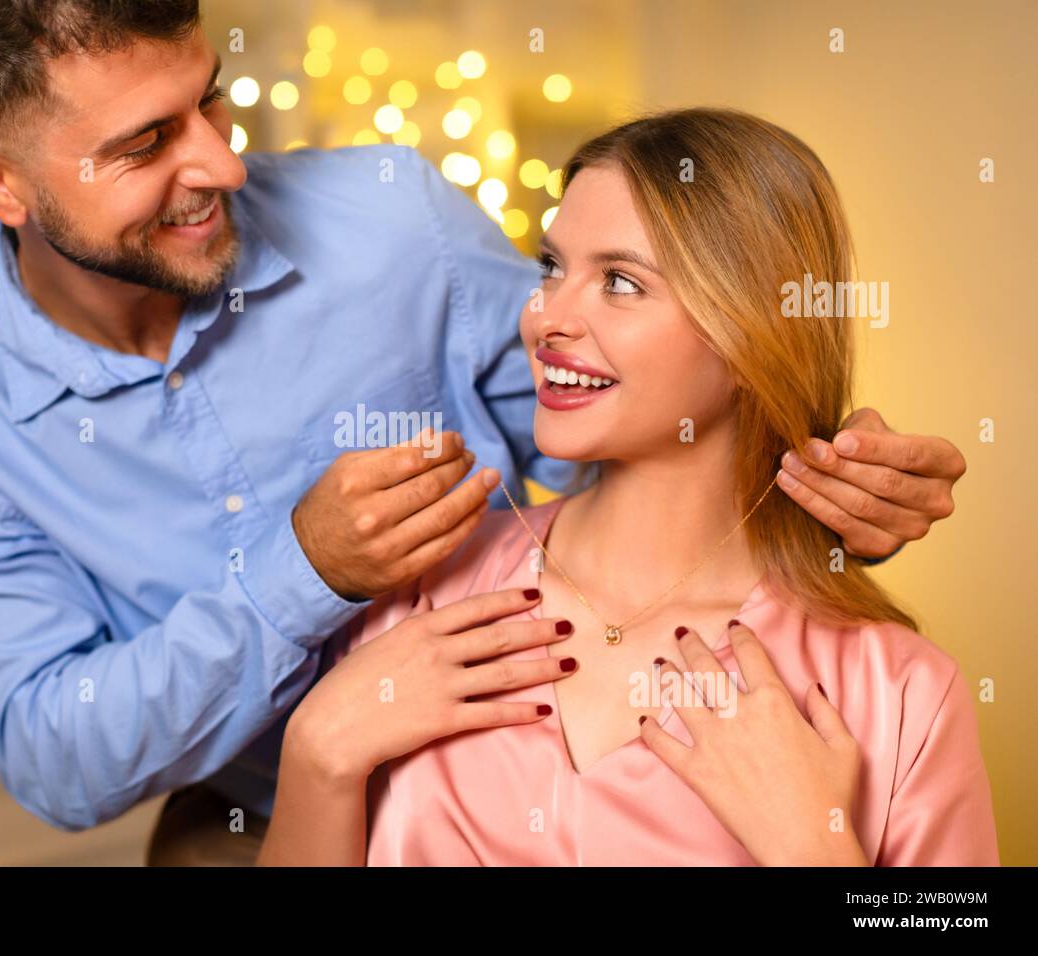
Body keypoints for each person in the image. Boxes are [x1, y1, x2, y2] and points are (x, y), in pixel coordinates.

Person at [0, 0, 966, 865]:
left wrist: (817, 487)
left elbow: (619, 415)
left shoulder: (393, 220)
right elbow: (57, 760)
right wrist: (308, 601)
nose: (221, 164)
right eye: (147, 142)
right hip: (253, 816)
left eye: (212, 101)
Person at [258, 109, 996, 866]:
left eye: (619, 281)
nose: (545, 315)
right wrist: (318, 753)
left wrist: (812, 846)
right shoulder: (419, 595)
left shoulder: (894, 688)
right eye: (550, 267)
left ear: (753, 334)